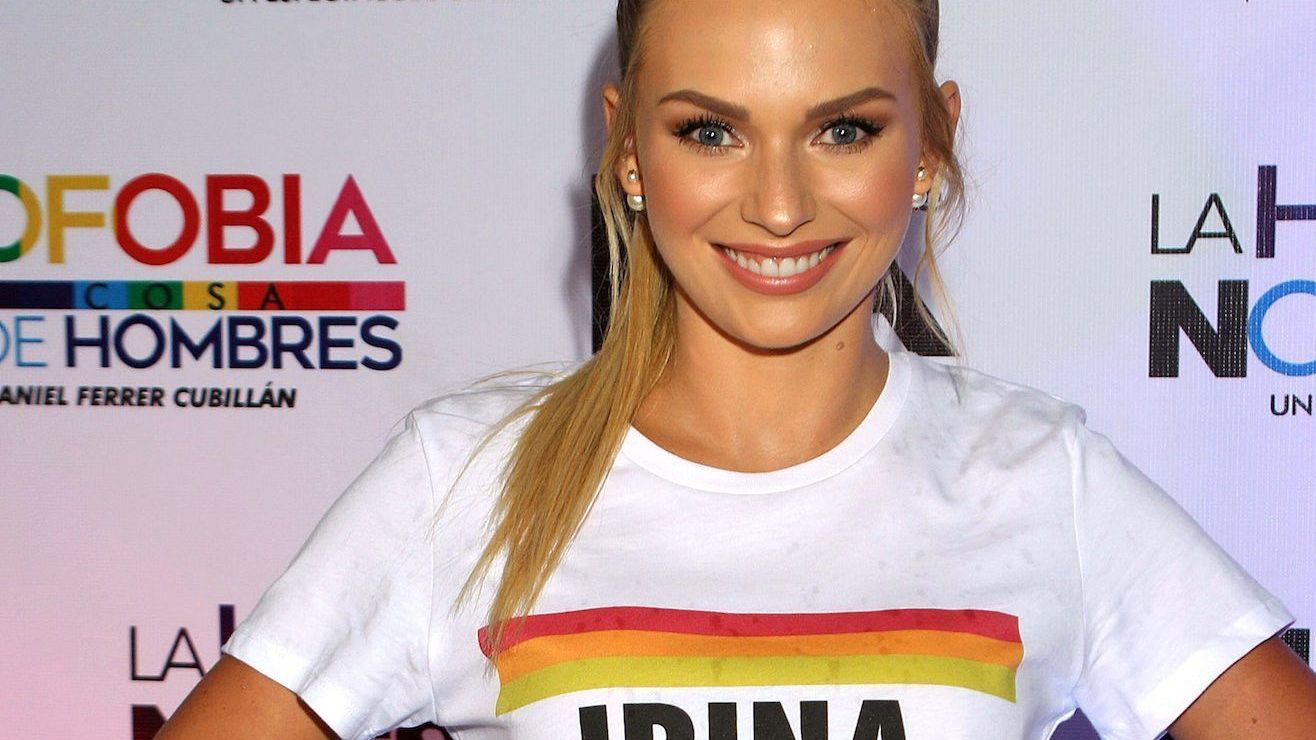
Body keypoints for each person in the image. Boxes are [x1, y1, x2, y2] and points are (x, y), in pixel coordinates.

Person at [157, 1, 1316, 738]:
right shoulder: (463, 478)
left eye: (842, 129)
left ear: (930, 142)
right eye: (708, 130)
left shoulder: (1038, 476)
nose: (775, 204)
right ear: (626, 147)